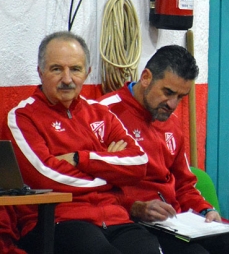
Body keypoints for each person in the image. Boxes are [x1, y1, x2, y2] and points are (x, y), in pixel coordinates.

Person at [0, 31, 162, 254]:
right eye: (57, 69)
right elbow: (45, 176)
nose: (67, 79)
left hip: (116, 219)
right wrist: (112, 174)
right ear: (40, 72)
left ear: (87, 72)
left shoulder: (101, 113)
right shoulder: (21, 117)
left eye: (75, 69)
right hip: (58, 222)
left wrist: (80, 159)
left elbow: (139, 164)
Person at [99, 45, 229, 254]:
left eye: (181, 96)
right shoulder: (102, 114)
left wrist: (206, 210)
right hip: (129, 224)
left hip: (176, 222)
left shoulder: (171, 123)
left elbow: (185, 185)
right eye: (168, 92)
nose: (172, 104)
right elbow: (90, 187)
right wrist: (135, 206)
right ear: (146, 77)